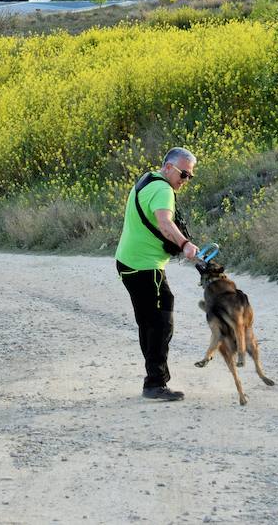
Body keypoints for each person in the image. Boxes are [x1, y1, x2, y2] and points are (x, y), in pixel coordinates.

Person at [115, 147, 201, 401]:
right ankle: (155, 383)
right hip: (145, 267)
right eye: (183, 174)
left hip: (127, 263)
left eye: (190, 176)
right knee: (161, 322)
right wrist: (185, 245)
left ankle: (153, 379)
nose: (185, 181)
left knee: (148, 322)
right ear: (168, 168)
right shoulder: (163, 189)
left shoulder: (148, 179)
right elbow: (164, 222)